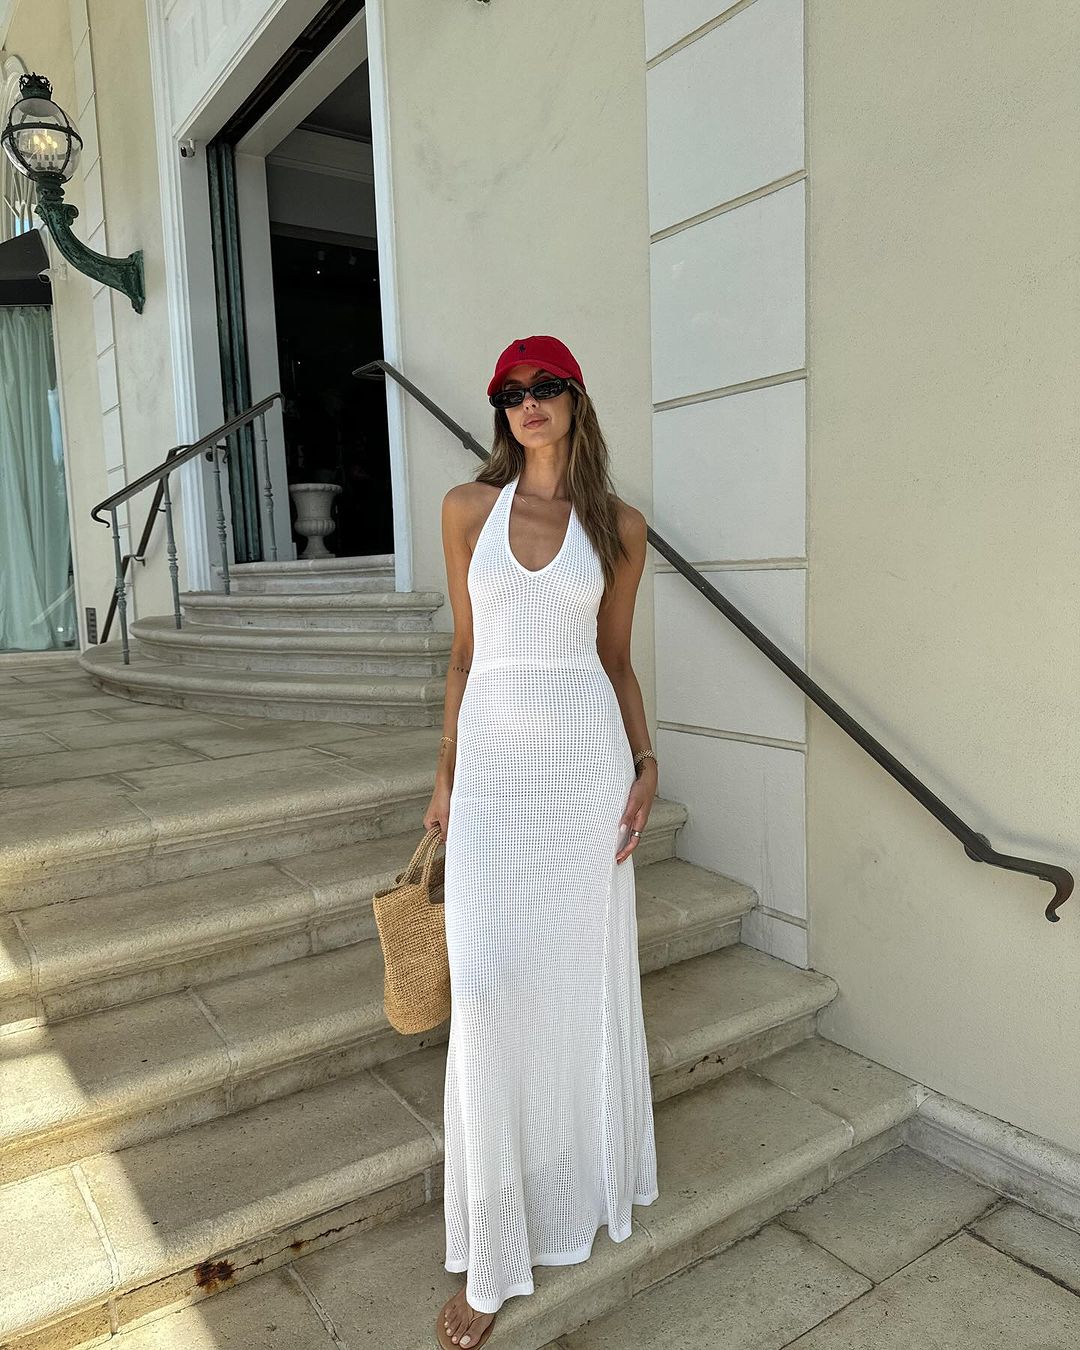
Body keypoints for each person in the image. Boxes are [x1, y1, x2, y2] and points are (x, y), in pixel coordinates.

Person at [425, 335, 659, 1349]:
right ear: (501, 411)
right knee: (482, 997)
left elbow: (615, 660)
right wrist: (444, 777)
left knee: (573, 992)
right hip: (491, 784)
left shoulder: (619, 527)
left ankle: (573, 1183)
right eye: (511, 392)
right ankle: (493, 1248)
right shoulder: (465, 510)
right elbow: (464, 655)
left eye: (545, 387)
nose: (528, 403)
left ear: (574, 400)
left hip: (584, 782)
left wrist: (645, 761)